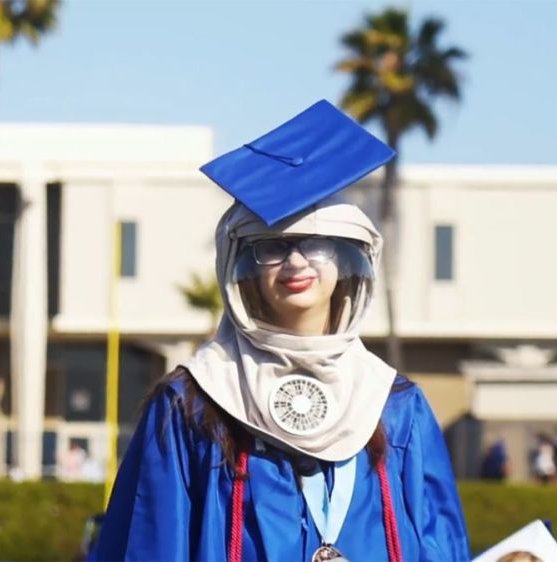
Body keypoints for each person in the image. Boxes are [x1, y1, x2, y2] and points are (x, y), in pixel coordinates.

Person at [93, 100, 470, 561]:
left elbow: (439, 547)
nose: (296, 262)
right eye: (272, 246)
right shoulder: (193, 403)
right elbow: (150, 548)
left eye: (317, 243)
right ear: (240, 265)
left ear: (347, 258)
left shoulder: (394, 404)